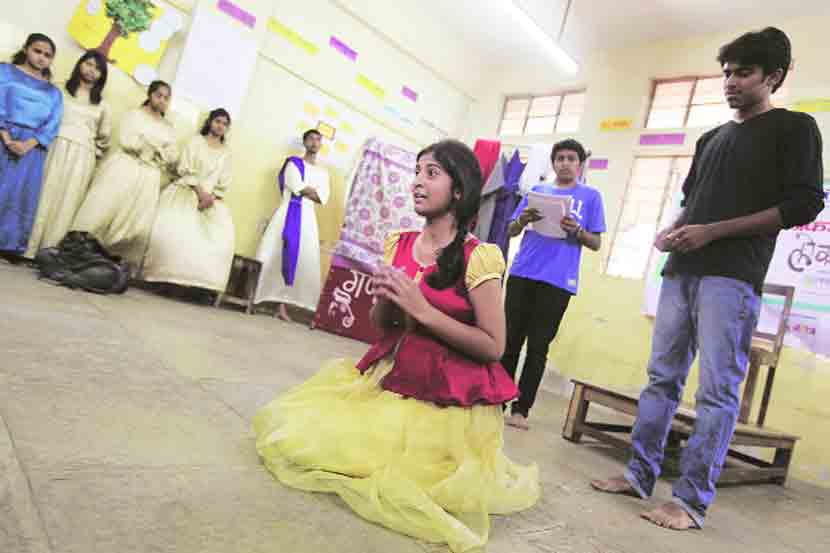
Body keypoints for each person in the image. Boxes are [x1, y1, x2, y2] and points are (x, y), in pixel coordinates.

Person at [253, 140, 539, 552]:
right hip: (394, 376)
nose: (417, 182)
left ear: (459, 190)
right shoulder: (399, 243)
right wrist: (387, 301)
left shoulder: (480, 257)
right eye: (417, 172)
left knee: (406, 476)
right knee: (316, 444)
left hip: (445, 398)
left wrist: (423, 310)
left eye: (431, 173)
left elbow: (494, 346)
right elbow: (382, 327)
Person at [591, 27, 823, 531]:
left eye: (744, 73)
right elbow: (691, 202)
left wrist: (712, 232)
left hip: (732, 277)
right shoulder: (711, 138)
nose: (731, 82)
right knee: (662, 378)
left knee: (717, 392)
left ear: (773, 77)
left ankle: (691, 502)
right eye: (727, 73)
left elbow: (804, 204)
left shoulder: (794, 128)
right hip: (682, 270)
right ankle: (637, 475)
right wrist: (672, 231)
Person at [502, 139, 606, 430]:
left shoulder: (591, 197)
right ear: (553, 163)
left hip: (558, 281)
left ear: (580, 164)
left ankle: (521, 410)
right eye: (560, 158)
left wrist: (578, 231)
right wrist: (522, 220)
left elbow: (596, 242)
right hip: (523, 273)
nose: (565, 163)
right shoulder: (537, 191)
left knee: (538, 347)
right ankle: (496, 402)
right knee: (510, 342)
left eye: (571, 158)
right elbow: (510, 230)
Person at [70, 80, 178, 272]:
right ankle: (78, 251)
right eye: (158, 95)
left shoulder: (168, 127)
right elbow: (128, 140)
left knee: (135, 221)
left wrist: (155, 149)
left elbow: (172, 154)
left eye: (166, 98)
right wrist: (155, 147)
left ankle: (109, 260)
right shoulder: (134, 115)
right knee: (105, 207)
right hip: (125, 166)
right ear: (150, 95)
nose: (162, 100)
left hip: (149, 174)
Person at [25, 50, 111, 258]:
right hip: (53, 146)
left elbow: (104, 138)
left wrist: (89, 148)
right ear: (80, 64)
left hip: (82, 155)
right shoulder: (58, 89)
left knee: (67, 202)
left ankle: (48, 253)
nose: (91, 70)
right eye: (88, 64)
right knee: (42, 193)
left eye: (97, 68)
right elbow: (43, 117)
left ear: (102, 75)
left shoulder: (102, 105)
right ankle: (26, 247)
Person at [142, 108, 234, 295]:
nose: (220, 126)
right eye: (218, 121)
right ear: (210, 122)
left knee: (219, 237)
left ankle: (196, 287)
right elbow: (185, 168)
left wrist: (211, 197)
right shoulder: (196, 142)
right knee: (177, 228)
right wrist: (199, 192)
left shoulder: (226, 153)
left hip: (211, 199)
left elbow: (223, 182)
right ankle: (166, 280)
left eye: (225, 124)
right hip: (188, 189)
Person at [254, 129, 330, 321]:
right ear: (304, 142)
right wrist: (310, 190)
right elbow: (297, 187)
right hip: (286, 213)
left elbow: (322, 197)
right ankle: (257, 297)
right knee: (274, 254)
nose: (315, 142)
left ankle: (283, 306)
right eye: (311, 139)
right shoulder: (293, 164)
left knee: (300, 260)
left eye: (318, 140)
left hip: (307, 219)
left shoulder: (323, 173)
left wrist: (308, 190)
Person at [0, 33, 63, 258]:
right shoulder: (5, 72)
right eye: (37, 51)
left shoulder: (53, 92)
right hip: (3, 136)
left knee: (18, 195)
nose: (41, 57)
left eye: (47, 55)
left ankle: (8, 243)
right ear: (26, 49)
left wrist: (27, 145)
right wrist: (7, 139)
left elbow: (52, 124)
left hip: (31, 148)